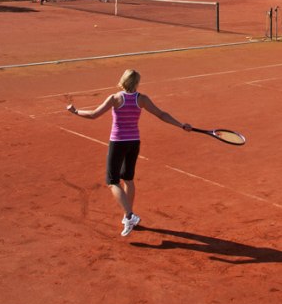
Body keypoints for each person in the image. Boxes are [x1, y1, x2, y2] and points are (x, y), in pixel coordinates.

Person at [67, 69, 193, 237]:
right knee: (128, 179)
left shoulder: (115, 98)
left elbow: (93, 115)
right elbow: (161, 114)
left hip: (118, 142)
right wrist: (180, 125)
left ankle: (130, 215)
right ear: (137, 82)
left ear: (123, 80)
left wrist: (75, 112)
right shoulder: (142, 99)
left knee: (112, 181)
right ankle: (128, 216)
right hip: (134, 143)